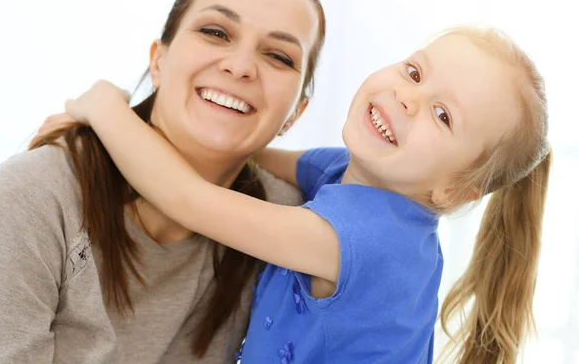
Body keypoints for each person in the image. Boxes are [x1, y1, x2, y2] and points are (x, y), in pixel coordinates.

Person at [63, 26, 551, 364]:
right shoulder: (348, 169)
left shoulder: (366, 241)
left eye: (443, 115)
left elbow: (188, 199)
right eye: (414, 72)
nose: (408, 97)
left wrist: (105, 108)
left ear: (454, 189)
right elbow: (246, 152)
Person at [0, 0, 326, 362]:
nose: (240, 66)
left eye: (279, 56)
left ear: (295, 114)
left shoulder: (290, 224)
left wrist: (107, 107)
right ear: (158, 61)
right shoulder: (39, 196)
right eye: (216, 32)